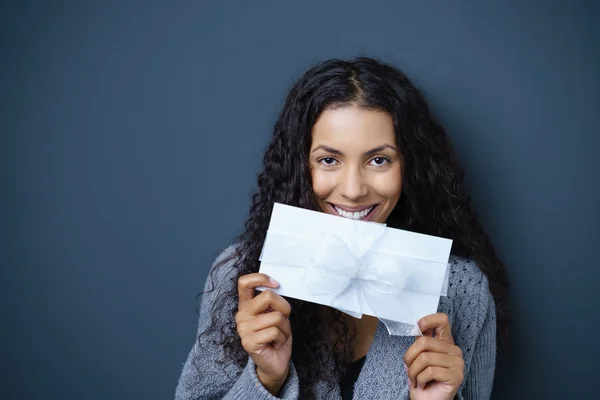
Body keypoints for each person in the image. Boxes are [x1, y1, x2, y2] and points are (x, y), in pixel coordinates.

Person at [175, 57, 509, 399]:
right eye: (329, 160)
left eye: (379, 160)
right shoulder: (241, 276)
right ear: (300, 166)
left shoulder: (463, 290)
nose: (353, 190)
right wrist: (266, 378)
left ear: (410, 166)